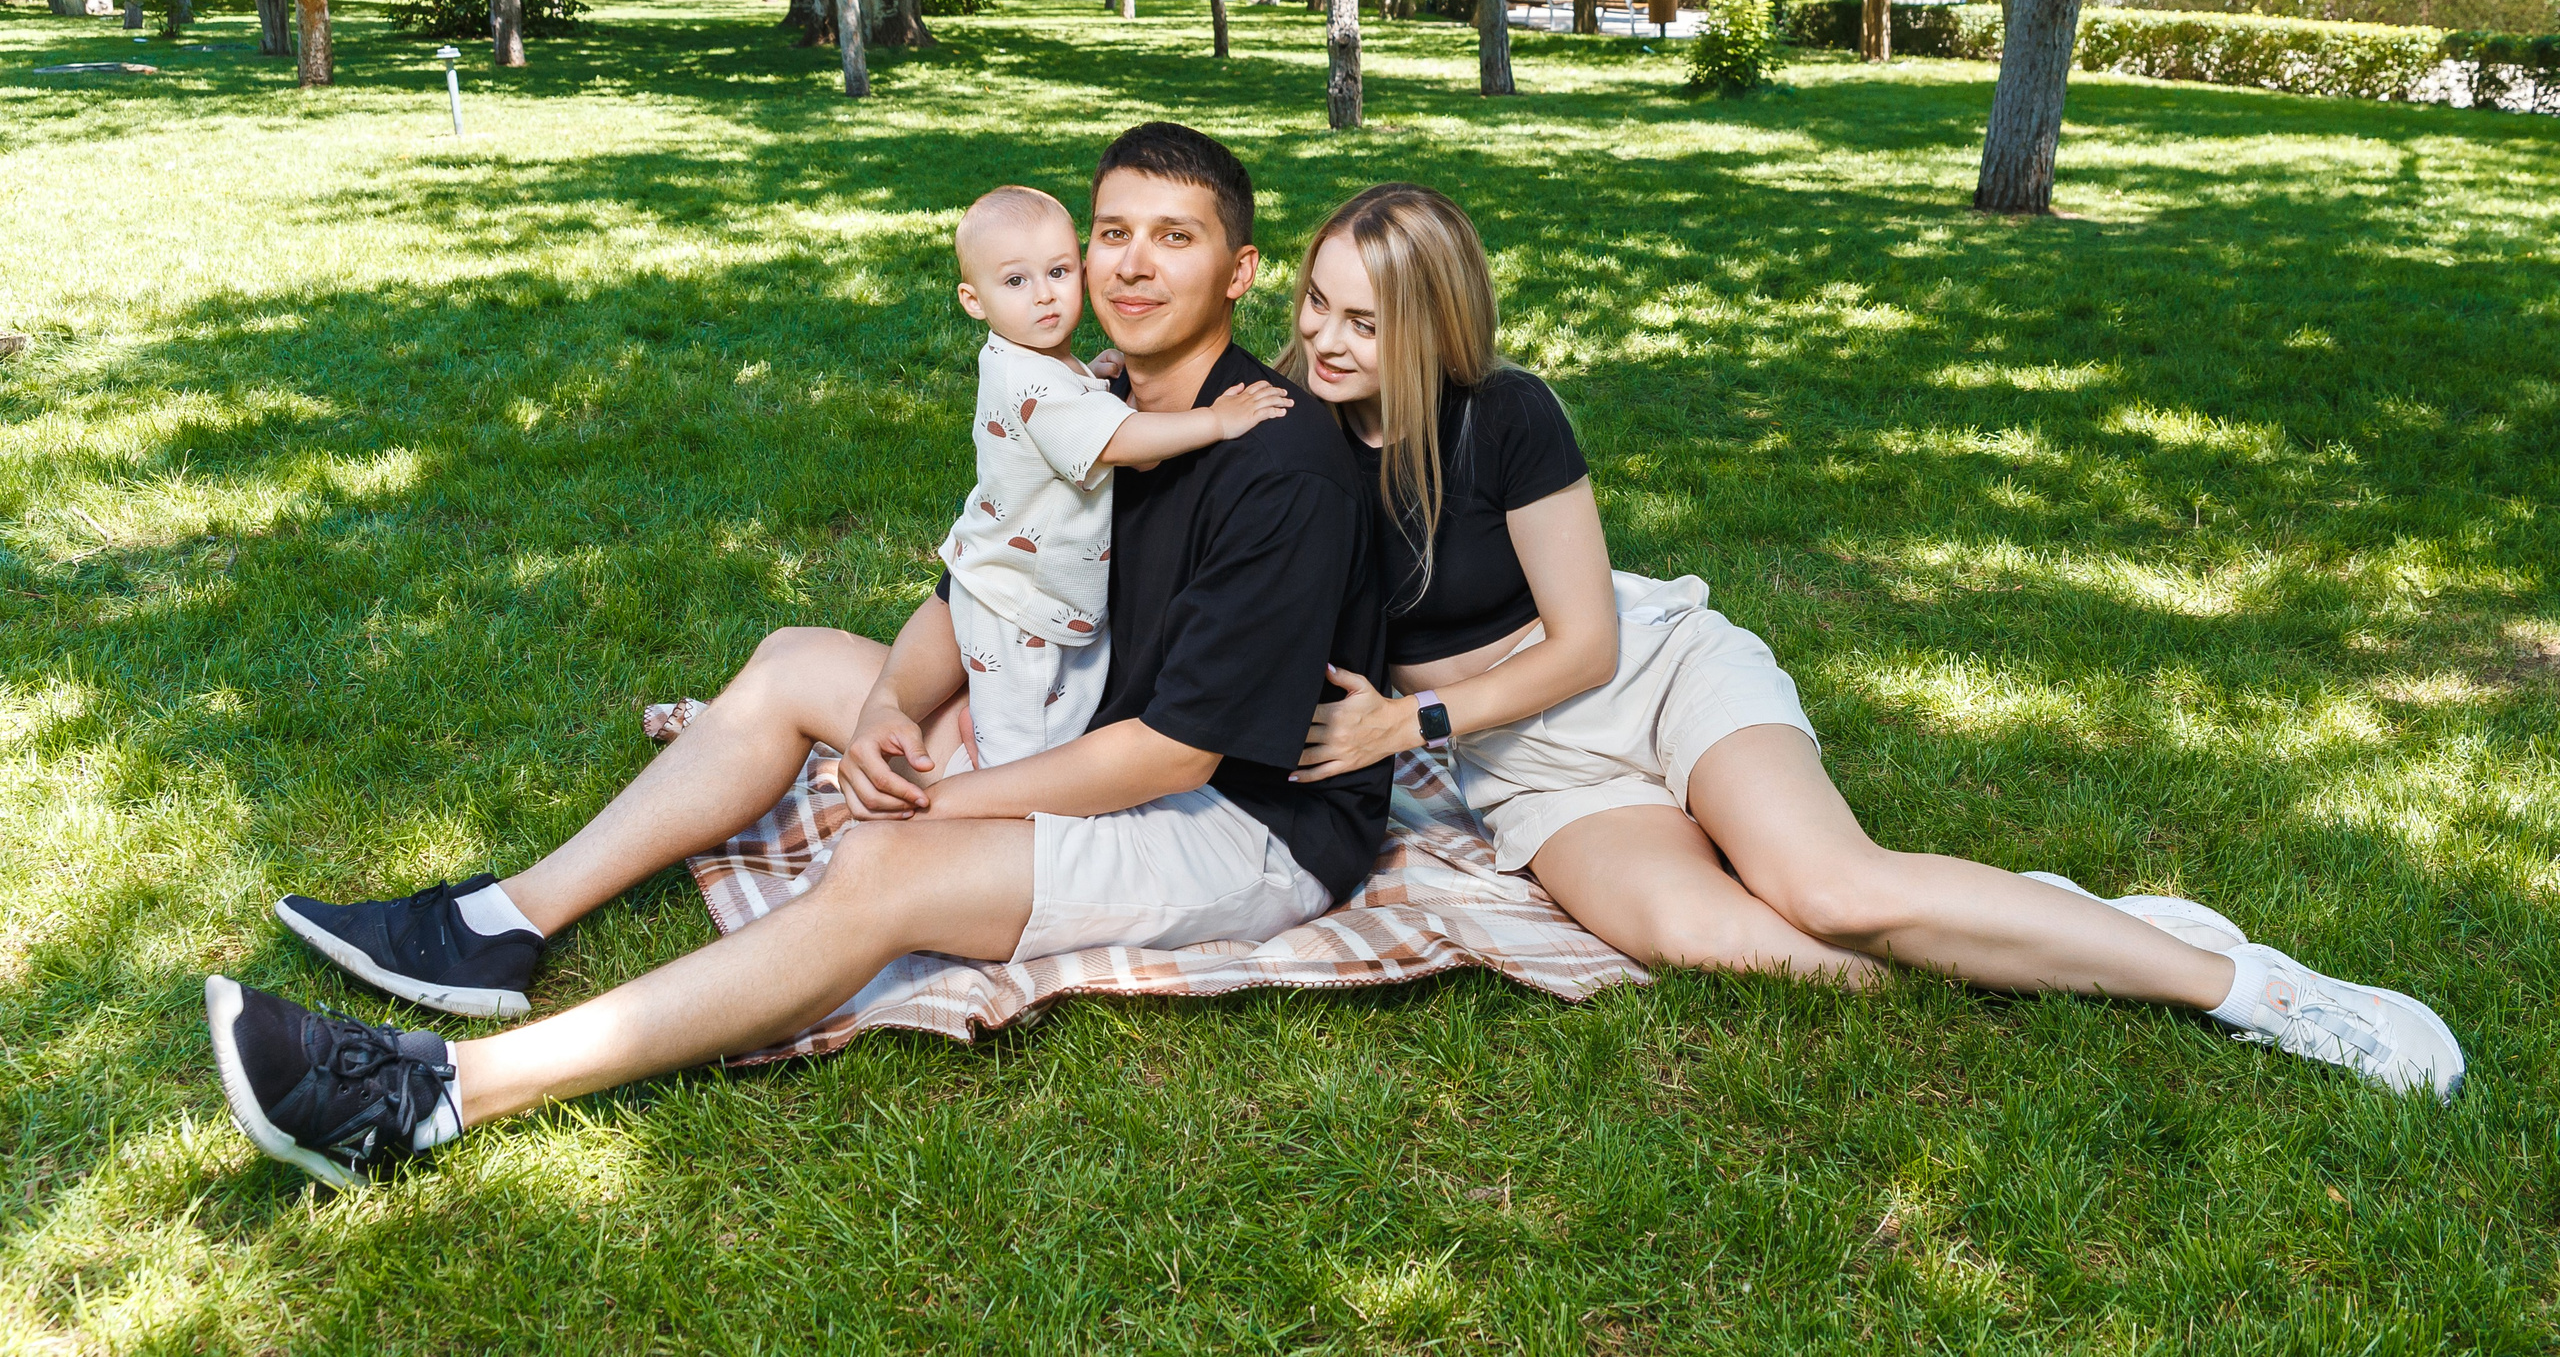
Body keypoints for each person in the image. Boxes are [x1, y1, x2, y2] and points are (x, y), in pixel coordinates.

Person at [203, 123, 1395, 1188]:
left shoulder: (1276, 467)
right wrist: (885, 708)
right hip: (1085, 720)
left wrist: (945, 797)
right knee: (790, 663)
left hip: (1245, 824)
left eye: (1174, 238)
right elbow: (977, 581)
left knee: (877, 868)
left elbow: (1177, 755)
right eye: (1113, 232)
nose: (1132, 264)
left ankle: (428, 1095)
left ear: (1238, 274)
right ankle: (498, 924)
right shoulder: (1083, 401)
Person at [1280, 182, 2465, 1099]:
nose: (1327, 339)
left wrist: (1408, 720)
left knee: (1830, 891)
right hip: (1529, 768)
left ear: (1436, 330)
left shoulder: (1511, 413)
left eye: (1365, 322)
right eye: (1315, 303)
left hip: (1646, 674)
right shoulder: (1289, 438)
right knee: (1717, 937)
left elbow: (1585, 645)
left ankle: (2259, 993)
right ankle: (2074, 931)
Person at [937, 183, 1290, 768]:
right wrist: (1214, 420)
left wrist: (1092, 376)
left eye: (1058, 271)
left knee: (1066, 721)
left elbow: (1065, 394)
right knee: (1025, 749)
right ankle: (987, 797)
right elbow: (1129, 442)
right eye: (1016, 282)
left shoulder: (1032, 357)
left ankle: (993, 752)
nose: (1045, 297)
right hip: (1019, 606)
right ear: (974, 301)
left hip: (1033, 592)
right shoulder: (1036, 384)